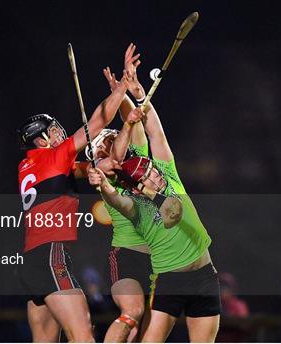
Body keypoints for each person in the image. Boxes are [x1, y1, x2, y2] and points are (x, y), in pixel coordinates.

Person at [88, 47, 221, 342]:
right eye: (142, 173)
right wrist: (103, 185)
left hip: (204, 274)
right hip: (170, 279)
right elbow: (113, 194)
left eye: (148, 166)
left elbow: (154, 133)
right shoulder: (132, 203)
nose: (149, 170)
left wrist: (134, 92)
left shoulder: (167, 172)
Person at [15, 45, 143, 343]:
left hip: (31, 261)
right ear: (42, 139)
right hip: (51, 255)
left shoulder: (29, 165)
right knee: (83, 337)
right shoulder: (53, 156)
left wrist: (99, 166)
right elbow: (99, 119)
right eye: (53, 130)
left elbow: (87, 170)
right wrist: (123, 86)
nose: (60, 133)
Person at [86, 44, 153, 343]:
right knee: (131, 312)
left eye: (113, 137)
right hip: (126, 255)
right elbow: (108, 162)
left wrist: (124, 89)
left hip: (158, 256)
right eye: (106, 139)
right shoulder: (104, 168)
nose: (111, 140)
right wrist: (119, 96)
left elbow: (134, 123)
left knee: (147, 328)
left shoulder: (137, 159)